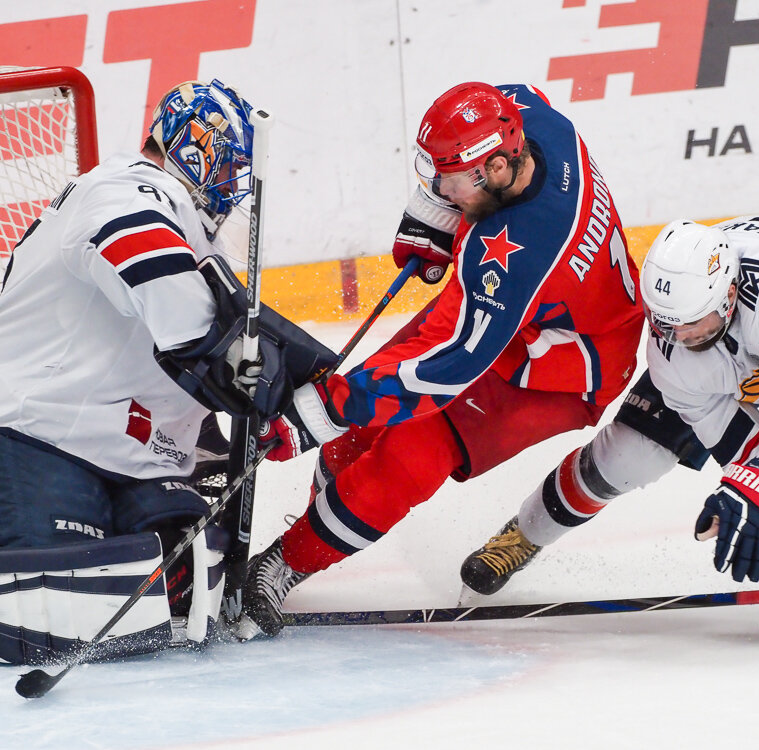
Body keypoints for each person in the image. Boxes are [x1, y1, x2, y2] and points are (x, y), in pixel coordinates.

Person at [241, 81, 645, 637]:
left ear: (499, 168)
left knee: (407, 454)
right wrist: (434, 211)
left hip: (562, 370)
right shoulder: (533, 124)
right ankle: (328, 514)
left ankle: (286, 562)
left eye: (449, 183)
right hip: (515, 317)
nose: (439, 188)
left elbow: (447, 366)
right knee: (358, 424)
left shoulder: (519, 253)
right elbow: (512, 92)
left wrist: (319, 412)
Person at [462, 211, 759, 632]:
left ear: (729, 294)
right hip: (746, 325)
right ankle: (525, 532)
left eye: (691, 324)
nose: (681, 339)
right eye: (666, 325)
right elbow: (739, 444)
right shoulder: (674, 346)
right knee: (628, 455)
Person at [0, 80, 264, 617]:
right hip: (30, 428)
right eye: (228, 168)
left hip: (124, 445)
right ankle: (2, 530)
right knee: (69, 598)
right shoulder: (126, 189)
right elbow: (183, 319)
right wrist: (238, 362)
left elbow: (179, 356)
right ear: (195, 148)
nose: (231, 187)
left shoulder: (189, 227)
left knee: (183, 585)